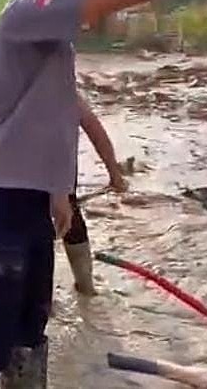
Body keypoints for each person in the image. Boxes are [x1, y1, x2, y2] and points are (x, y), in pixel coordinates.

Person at [0, 0, 167, 389]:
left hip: (30, 204)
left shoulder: (55, 39)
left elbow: (55, 119)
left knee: (30, 335)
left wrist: (58, 190)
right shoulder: (29, 10)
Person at [66, 92, 127, 295]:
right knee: (70, 221)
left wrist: (114, 173)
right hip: (58, 176)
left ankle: (84, 287)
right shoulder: (64, 92)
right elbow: (95, 130)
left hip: (27, 179)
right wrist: (115, 174)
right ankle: (86, 287)